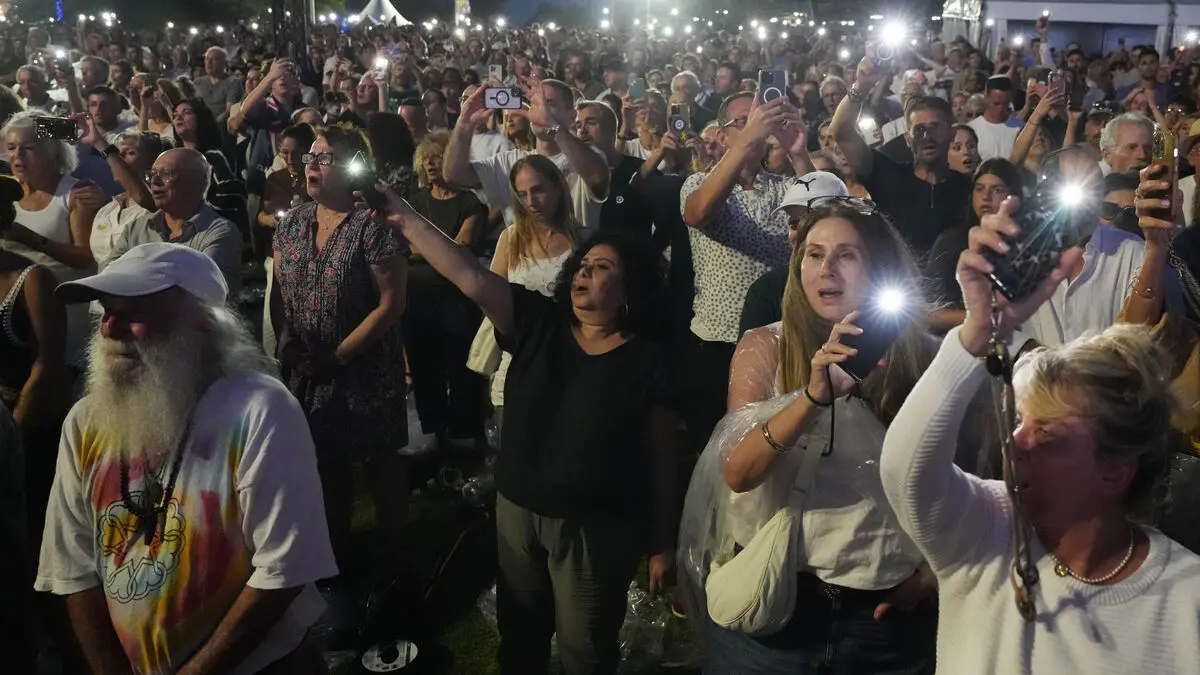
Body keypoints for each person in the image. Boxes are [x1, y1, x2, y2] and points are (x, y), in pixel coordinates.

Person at [367, 180, 677, 675]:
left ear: (631, 287)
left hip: (594, 529)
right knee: (520, 636)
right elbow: (466, 272)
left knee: (584, 649)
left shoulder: (648, 361)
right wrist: (403, 217)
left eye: (602, 268)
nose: (583, 274)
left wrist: (663, 542)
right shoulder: (538, 322)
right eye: (582, 264)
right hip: (516, 512)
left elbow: (663, 458)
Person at [879, 202, 1200, 673]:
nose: (1017, 444)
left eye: (1047, 433)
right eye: (1017, 423)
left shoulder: (1185, 598)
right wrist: (979, 333)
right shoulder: (983, 532)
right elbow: (904, 470)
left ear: (1116, 469)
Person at [37, 243, 338, 674]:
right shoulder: (84, 423)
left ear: (201, 323)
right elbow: (73, 569)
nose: (110, 328)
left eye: (134, 313)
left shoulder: (257, 408)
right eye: (106, 312)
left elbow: (284, 570)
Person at [680, 199, 940, 673]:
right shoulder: (767, 346)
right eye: (815, 255)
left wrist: (929, 576)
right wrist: (813, 397)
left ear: (878, 266)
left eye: (847, 255)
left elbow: (965, 471)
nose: (827, 270)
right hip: (778, 605)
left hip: (882, 615)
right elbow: (738, 471)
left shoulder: (920, 359)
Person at [270, 125, 409, 572]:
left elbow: (391, 304)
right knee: (322, 462)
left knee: (377, 461)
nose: (312, 164)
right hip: (307, 365)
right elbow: (280, 294)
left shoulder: (373, 227)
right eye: (311, 156)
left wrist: (340, 356)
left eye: (326, 158)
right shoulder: (291, 224)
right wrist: (288, 345)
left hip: (363, 366)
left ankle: (395, 551)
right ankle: (333, 549)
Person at [833, 60, 971, 256]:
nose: (927, 136)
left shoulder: (968, 189)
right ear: (908, 138)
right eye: (919, 130)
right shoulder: (889, 176)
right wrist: (861, 86)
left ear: (951, 133)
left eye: (935, 127)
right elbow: (842, 132)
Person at [0, 111, 105, 365]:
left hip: (65, 314)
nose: (17, 155)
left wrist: (32, 240)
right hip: (14, 316)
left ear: (52, 152)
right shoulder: (4, 191)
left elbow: (86, 257)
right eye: (11, 148)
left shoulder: (75, 194)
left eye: (28, 148)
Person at [405, 131, 488, 450]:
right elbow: (400, 243)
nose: (430, 163)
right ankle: (432, 434)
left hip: (454, 296)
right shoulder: (415, 201)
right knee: (424, 366)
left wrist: (420, 245)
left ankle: (465, 434)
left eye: (438, 156)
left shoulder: (470, 203)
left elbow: (462, 246)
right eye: (425, 157)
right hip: (417, 297)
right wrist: (439, 249)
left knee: (460, 365)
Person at [444, 77, 610, 231]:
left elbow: (597, 178)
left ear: (571, 115)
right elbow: (455, 175)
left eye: (548, 103)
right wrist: (464, 125)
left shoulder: (587, 157)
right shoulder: (509, 161)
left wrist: (553, 127)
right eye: (535, 103)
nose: (540, 109)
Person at [738, 172, 850, 335]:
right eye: (794, 224)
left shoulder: (869, 281)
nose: (801, 232)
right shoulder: (767, 290)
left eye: (812, 221)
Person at [927, 158, 1025, 331]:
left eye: (997, 190)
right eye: (979, 189)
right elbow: (930, 314)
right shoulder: (951, 241)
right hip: (964, 342)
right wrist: (985, 318)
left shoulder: (1028, 241)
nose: (986, 197)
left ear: (1014, 198)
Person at [257, 123, 315, 356]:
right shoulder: (276, 179)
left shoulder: (315, 182)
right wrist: (270, 220)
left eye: (296, 153)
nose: (290, 159)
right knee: (272, 327)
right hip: (278, 259)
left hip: (309, 261)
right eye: (285, 153)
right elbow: (260, 214)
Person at [969, 75, 1023, 161]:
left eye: (1005, 103)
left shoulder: (1021, 128)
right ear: (986, 97)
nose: (1001, 108)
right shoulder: (971, 130)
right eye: (996, 103)